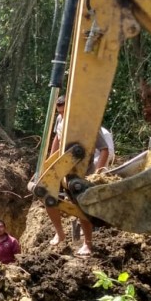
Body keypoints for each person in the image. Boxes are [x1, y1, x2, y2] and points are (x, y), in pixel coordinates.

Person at [46, 95, 109, 256]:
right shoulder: (60, 120)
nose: (61, 116)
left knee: (81, 208)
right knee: (45, 193)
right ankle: (60, 233)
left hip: (83, 171)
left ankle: (88, 244)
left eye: (64, 113)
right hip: (64, 168)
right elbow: (57, 139)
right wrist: (50, 162)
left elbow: (104, 150)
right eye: (59, 113)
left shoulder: (87, 124)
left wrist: (97, 174)